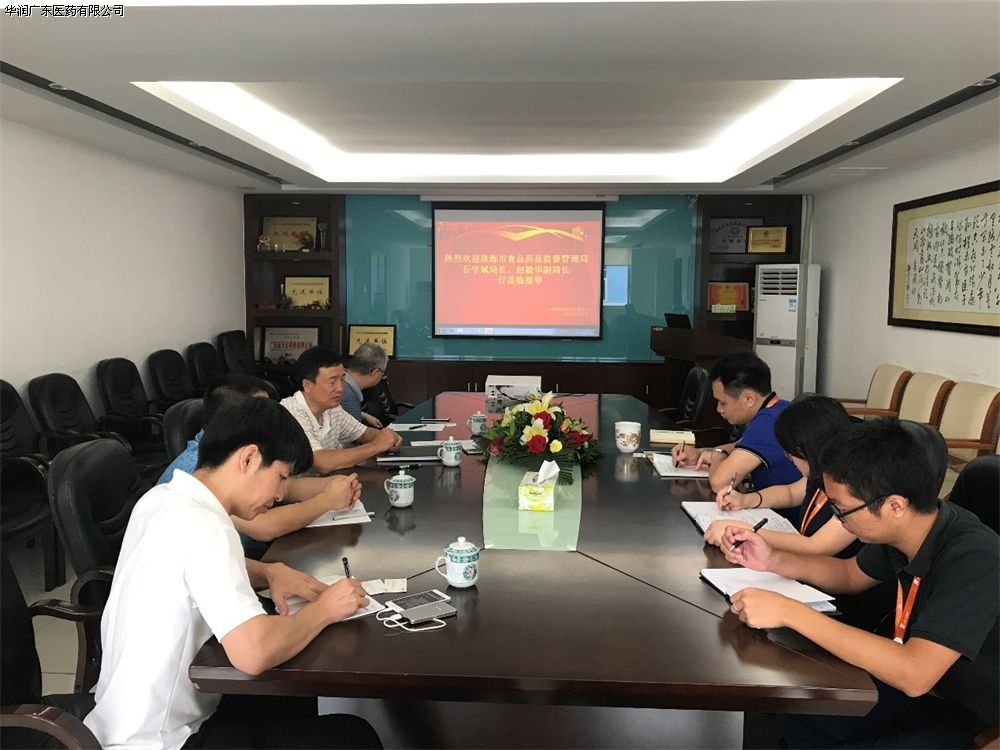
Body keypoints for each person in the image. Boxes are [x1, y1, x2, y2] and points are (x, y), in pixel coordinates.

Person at [84, 397, 381, 750]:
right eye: (281, 477)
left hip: (116, 723)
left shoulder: (161, 498)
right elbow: (253, 652)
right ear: (249, 458)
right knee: (353, 737)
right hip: (164, 740)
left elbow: (190, 566)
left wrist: (268, 572)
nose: (281, 493)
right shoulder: (207, 526)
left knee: (287, 696)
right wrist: (324, 610)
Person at [723, 419, 999, 749]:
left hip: (961, 709)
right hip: (917, 688)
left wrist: (790, 612)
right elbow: (849, 575)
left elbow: (915, 674)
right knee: (799, 706)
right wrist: (773, 560)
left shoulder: (974, 556)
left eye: (842, 510)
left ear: (895, 505)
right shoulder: (912, 527)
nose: (840, 521)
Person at [158, 374, 362, 558]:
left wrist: (336, 485)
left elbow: (286, 487)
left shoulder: (229, 454)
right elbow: (265, 527)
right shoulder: (201, 471)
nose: (273, 422)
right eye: (262, 413)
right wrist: (326, 501)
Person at [703, 395, 860, 556]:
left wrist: (744, 531)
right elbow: (791, 493)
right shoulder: (821, 472)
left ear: (809, 451)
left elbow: (816, 546)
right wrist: (745, 500)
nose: (790, 459)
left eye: (791, 454)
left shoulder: (857, 489)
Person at [671, 351, 800, 493]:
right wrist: (699, 453)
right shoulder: (780, 408)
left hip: (780, 507)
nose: (718, 409)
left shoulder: (769, 423)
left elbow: (720, 483)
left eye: (723, 402)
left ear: (749, 399)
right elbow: (737, 446)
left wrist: (717, 454)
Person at [280, 346, 401, 474]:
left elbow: (362, 433)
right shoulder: (290, 413)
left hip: (332, 481)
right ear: (307, 385)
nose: (340, 388)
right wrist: (376, 446)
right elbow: (321, 462)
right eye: (332, 381)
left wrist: (387, 438)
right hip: (301, 486)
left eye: (342, 379)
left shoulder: (332, 408)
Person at [342, 342, 389, 427]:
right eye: (382, 374)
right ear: (375, 373)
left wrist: (362, 414)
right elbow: (355, 434)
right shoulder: (348, 395)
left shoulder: (342, 382)